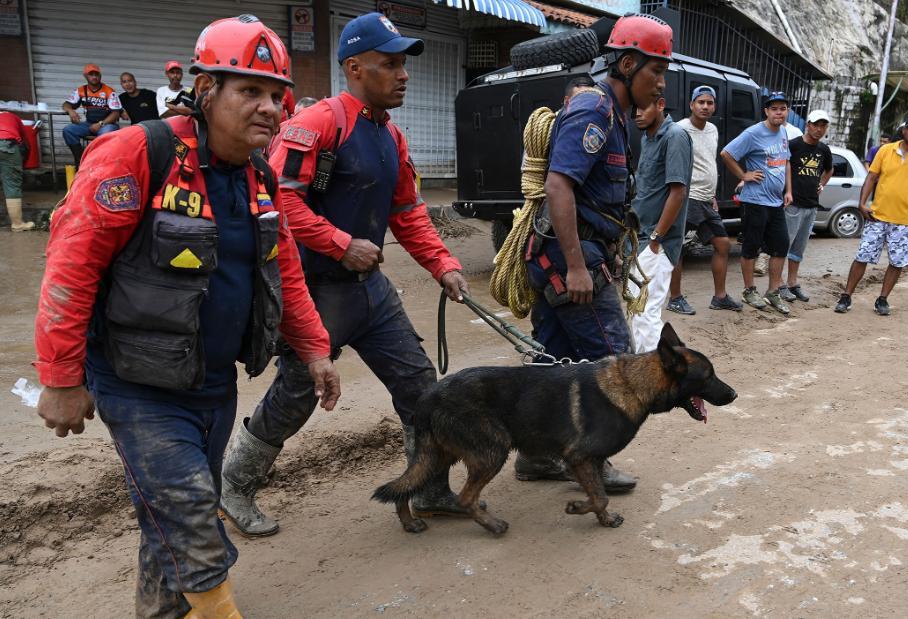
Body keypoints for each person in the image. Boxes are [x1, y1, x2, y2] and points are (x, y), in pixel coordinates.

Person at [33, 15, 340, 617]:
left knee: (168, 516)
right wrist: (61, 379)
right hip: (135, 384)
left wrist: (315, 348)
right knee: (193, 510)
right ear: (205, 91)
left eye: (277, 95)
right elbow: (70, 267)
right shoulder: (137, 152)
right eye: (249, 91)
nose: (269, 108)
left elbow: (285, 272)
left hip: (212, 382)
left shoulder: (261, 177)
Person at [218, 12, 472, 537]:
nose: (403, 75)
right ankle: (235, 484)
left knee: (421, 386)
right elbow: (277, 201)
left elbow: (407, 213)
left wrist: (443, 266)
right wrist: (338, 243)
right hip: (314, 293)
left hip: (371, 293)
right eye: (390, 64)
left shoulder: (391, 138)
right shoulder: (317, 125)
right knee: (296, 395)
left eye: (404, 64)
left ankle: (428, 488)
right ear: (354, 68)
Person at [518, 13, 672, 490]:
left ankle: (536, 456)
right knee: (614, 366)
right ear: (627, 64)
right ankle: (594, 462)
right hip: (571, 260)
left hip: (565, 255)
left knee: (553, 362)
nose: (661, 85)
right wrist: (581, 268)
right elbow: (559, 186)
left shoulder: (616, 116)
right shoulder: (595, 111)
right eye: (656, 72)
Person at [835, 114, 908, 315]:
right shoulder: (885, 150)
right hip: (877, 216)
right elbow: (872, 177)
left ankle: (882, 300)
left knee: (897, 262)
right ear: (904, 130)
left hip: (905, 220)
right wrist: (862, 203)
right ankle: (846, 296)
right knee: (862, 256)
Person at [667, 85, 740, 314]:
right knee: (677, 248)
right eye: (701, 102)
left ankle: (719, 297)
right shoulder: (679, 129)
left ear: (714, 106)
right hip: (687, 199)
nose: (705, 107)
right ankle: (675, 298)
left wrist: (713, 197)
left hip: (707, 200)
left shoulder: (713, 130)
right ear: (691, 105)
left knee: (723, 244)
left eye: (709, 103)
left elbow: (708, 162)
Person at [720, 91, 793, 314]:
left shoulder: (782, 133)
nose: (778, 112)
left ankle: (772, 291)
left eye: (782, 108)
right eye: (774, 108)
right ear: (766, 111)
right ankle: (749, 290)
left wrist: (789, 190)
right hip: (754, 201)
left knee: (781, 246)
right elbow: (726, 154)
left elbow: (786, 162)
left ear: (786, 111)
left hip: (775, 202)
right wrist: (744, 176)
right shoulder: (753, 133)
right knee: (751, 247)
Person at [628, 95, 691, 352]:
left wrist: (656, 238)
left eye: (643, 107)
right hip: (641, 239)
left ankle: (659, 380)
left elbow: (678, 192)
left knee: (645, 313)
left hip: (658, 243)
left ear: (661, 104)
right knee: (636, 311)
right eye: (634, 110)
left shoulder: (674, 136)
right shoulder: (648, 138)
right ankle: (647, 372)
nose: (637, 114)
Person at [779, 109, 833, 303]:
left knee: (798, 249)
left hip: (811, 205)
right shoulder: (793, 145)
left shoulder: (823, 150)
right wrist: (787, 191)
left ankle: (793, 283)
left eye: (823, 126)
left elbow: (829, 169)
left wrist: (822, 184)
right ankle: (778, 285)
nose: (819, 129)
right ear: (807, 125)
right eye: (816, 125)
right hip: (792, 204)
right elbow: (781, 167)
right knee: (783, 246)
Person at [61, 64, 122, 165]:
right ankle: (81, 162)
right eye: (91, 74)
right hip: (89, 124)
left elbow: (116, 113)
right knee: (68, 130)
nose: (94, 77)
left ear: (100, 76)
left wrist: (100, 124)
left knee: (105, 135)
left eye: (96, 74)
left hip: (107, 124)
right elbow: (66, 104)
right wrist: (70, 111)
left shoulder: (109, 91)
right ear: (85, 76)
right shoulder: (81, 90)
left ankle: (100, 164)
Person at [0, 110, 33, 230]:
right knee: (12, 185)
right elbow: (26, 142)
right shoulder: (13, 117)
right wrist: (22, 164)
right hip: (7, 146)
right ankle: (17, 224)